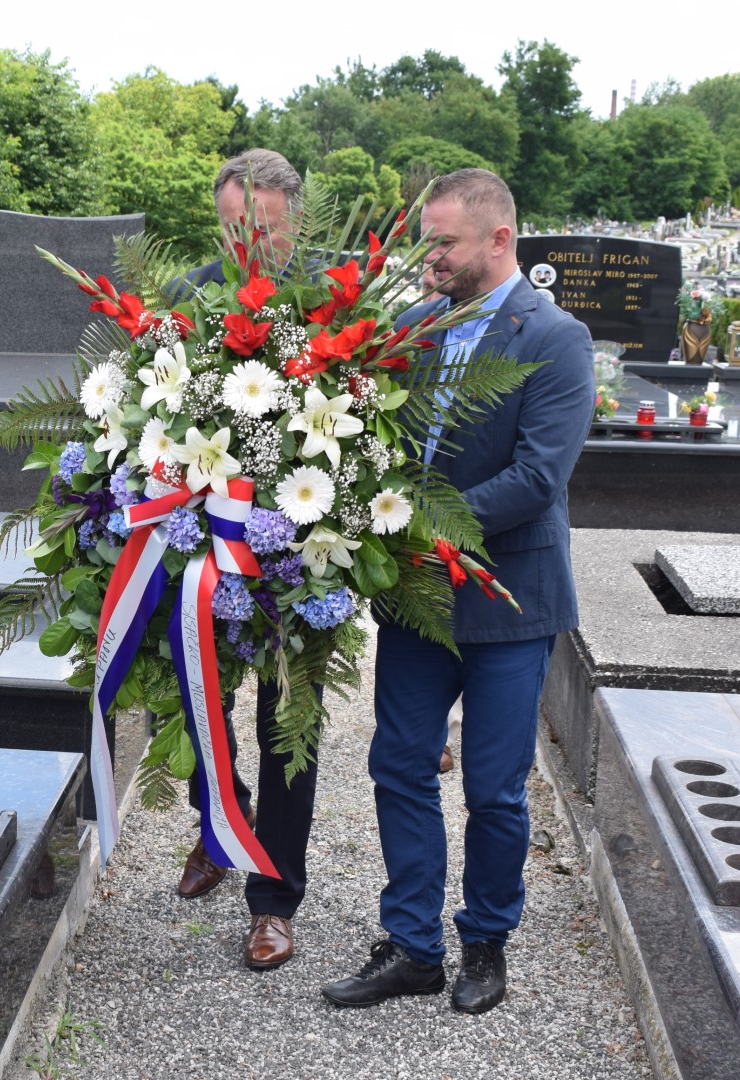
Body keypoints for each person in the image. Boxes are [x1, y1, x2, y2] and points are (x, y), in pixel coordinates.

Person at [321, 168, 593, 1014]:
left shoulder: (555, 339)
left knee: (494, 789)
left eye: (443, 243)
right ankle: (412, 947)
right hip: (416, 600)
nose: (427, 258)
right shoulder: (413, 328)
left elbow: (537, 479)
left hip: (509, 598)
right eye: (424, 241)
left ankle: (485, 941)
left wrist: (415, 527)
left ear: (499, 239)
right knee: (399, 765)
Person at [171, 149, 317, 972]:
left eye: (261, 230)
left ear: (293, 220)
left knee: (287, 721)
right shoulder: (190, 295)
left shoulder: (331, 300)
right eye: (232, 230)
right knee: (198, 694)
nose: (246, 247)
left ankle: (275, 898)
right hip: (207, 539)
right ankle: (218, 825)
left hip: (298, 545)